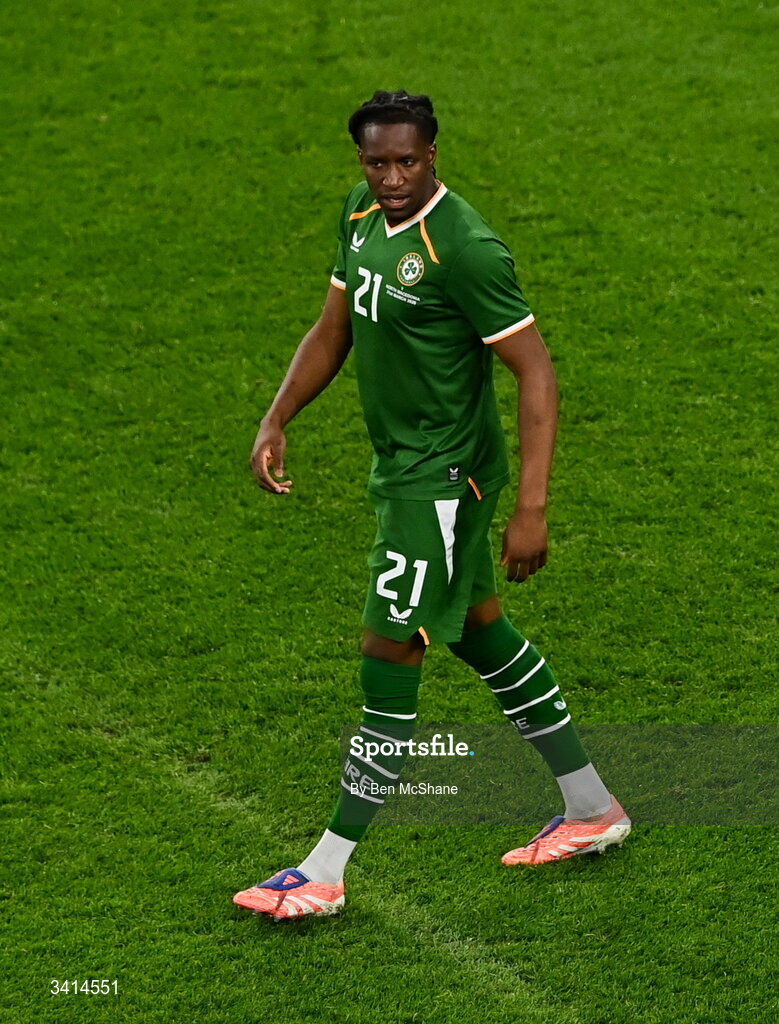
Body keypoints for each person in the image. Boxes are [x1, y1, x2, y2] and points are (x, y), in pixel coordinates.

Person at [233, 90, 630, 921]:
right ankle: (592, 809)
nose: (391, 178)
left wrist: (532, 507)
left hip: (445, 481)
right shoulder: (361, 215)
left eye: (406, 161)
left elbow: (536, 372)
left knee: (391, 647)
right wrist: (277, 415)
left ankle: (325, 868)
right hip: (403, 468)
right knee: (479, 629)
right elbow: (332, 327)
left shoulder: (466, 248)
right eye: (376, 163)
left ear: (433, 156)